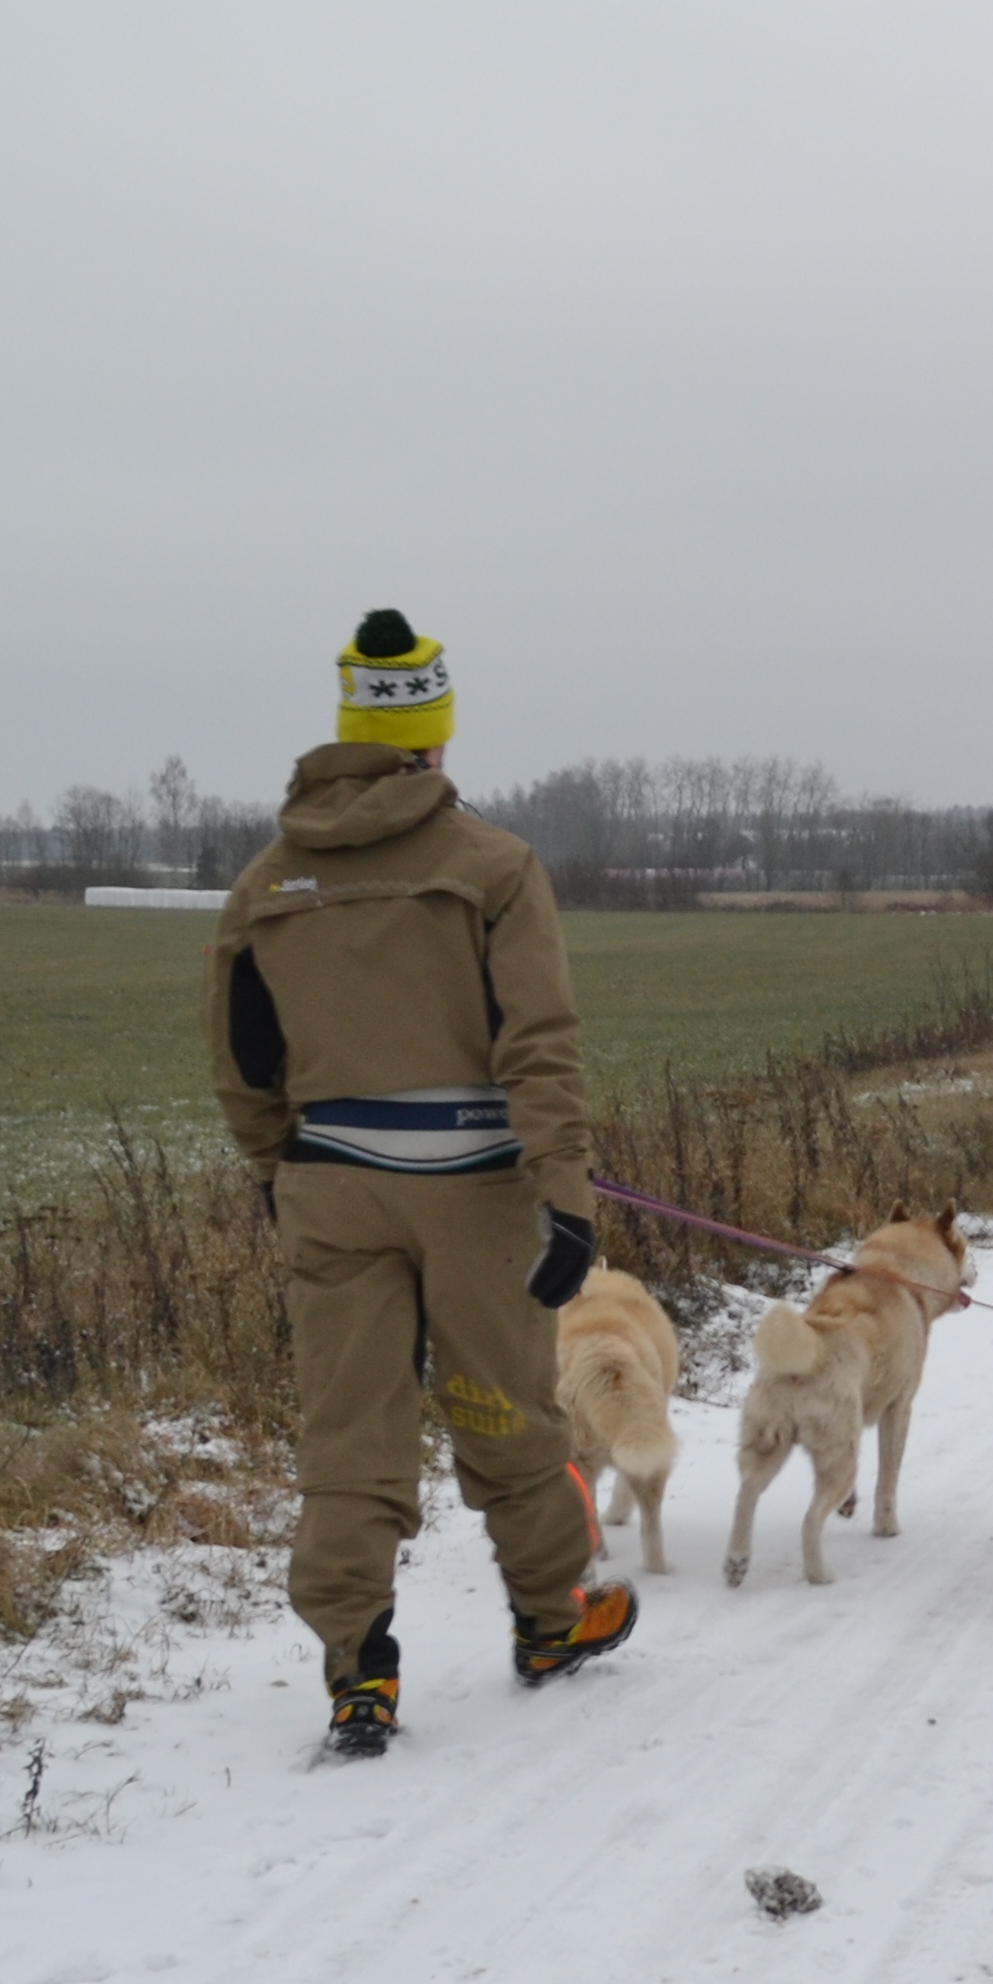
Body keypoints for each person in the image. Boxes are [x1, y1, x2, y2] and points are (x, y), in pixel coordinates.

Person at [206, 609, 638, 1758]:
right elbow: (538, 1044)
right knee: (504, 1414)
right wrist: (565, 1195)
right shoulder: (491, 868)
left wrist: (276, 1175)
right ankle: (554, 1620)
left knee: (351, 1432)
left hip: (330, 1191)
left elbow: (243, 1063)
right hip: (478, 1192)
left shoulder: (265, 886)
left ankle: (359, 1674)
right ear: (434, 740)